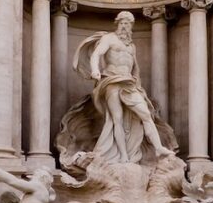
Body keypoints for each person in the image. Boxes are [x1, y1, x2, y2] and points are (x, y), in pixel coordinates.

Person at [73, 11, 174, 163]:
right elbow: (96, 54)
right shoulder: (109, 38)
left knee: (145, 114)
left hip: (129, 83)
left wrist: (138, 86)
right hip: (112, 81)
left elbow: (135, 69)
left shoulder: (131, 47)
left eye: (127, 23)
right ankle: (124, 156)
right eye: (122, 23)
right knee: (117, 119)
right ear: (117, 24)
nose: (124, 26)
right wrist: (95, 69)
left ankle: (158, 148)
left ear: (131, 26)